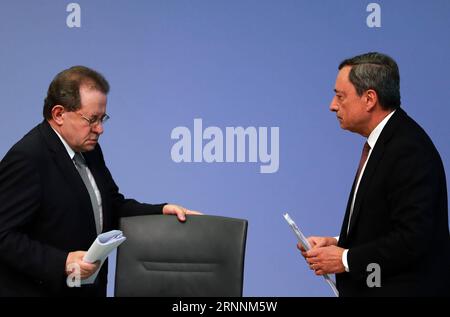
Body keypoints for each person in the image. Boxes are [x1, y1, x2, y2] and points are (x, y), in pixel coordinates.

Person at [0, 66, 200, 296]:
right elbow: (3, 236)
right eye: (92, 119)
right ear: (58, 114)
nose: (100, 129)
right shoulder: (28, 157)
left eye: (102, 118)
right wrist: (62, 262)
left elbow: (111, 207)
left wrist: (161, 211)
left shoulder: (90, 149)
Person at [298, 52, 450, 296]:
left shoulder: (408, 150)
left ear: (369, 99)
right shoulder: (387, 142)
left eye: (340, 96)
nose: (332, 105)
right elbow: (385, 224)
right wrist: (339, 242)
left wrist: (345, 259)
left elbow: (413, 239)